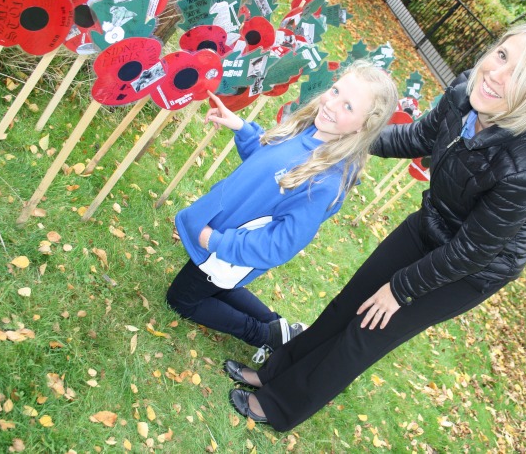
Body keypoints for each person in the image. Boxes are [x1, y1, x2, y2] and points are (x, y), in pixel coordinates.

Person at [224, 21, 526, 431]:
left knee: (365, 334)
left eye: (518, 74)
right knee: (349, 302)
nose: (495, 74)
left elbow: (471, 252)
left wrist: (400, 289)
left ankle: (281, 406)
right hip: (433, 222)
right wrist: (350, 135)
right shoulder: (465, 93)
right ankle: (274, 370)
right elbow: (418, 136)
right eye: (502, 55)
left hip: (471, 269)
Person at [166, 61, 399, 364]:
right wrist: (243, 129)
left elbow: (279, 244)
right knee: (214, 286)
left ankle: (265, 336)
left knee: (181, 299)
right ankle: (281, 328)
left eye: (348, 106)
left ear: (363, 126)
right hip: (219, 232)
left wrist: (216, 243)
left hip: (226, 246)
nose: (331, 105)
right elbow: (266, 165)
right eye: (336, 91)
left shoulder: (323, 182)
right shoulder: (308, 130)